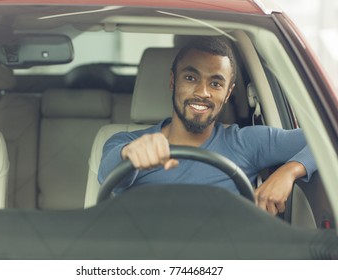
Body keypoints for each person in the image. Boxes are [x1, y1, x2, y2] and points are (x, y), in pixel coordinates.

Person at [98, 36, 316, 215]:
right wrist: (131, 155)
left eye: (215, 83)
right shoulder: (126, 142)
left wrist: (290, 171)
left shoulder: (246, 142)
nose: (203, 92)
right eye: (191, 78)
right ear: (173, 81)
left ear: (228, 92)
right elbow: (109, 173)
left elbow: (329, 140)